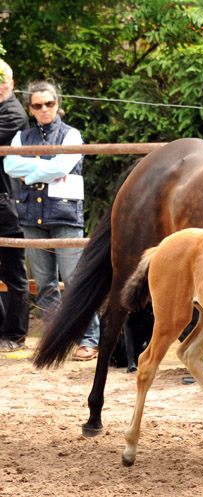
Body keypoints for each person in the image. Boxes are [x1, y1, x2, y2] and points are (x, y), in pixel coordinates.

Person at [4, 81, 100, 361]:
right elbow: (10, 166)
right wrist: (47, 167)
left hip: (65, 213)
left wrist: (31, 170)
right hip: (31, 217)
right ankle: (55, 338)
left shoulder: (72, 135)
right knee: (44, 283)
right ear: (30, 108)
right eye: (37, 105)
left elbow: (62, 166)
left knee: (75, 280)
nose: (44, 109)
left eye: (49, 103)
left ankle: (89, 338)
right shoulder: (22, 137)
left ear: (57, 104)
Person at [0, 59, 30, 353]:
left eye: (1, 80)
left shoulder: (13, 113)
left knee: (13, 271)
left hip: (6, 202)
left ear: (11, 83)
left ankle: (16, 333)